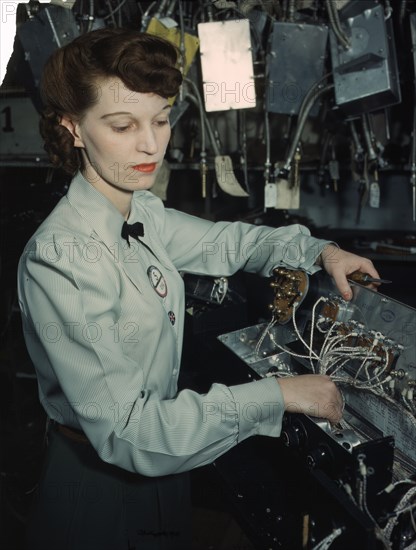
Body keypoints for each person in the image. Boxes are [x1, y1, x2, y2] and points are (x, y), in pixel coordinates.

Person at [17, 27, 380, 550]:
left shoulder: (138, 210)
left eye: (161, 119)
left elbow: (227, 245)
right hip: (98, 485)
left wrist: (320, 252)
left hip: (167, 467)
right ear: (73, 128)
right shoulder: (63, 257)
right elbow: (126, 433)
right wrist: (277, 395)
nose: (150, 144)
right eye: (122, 125)